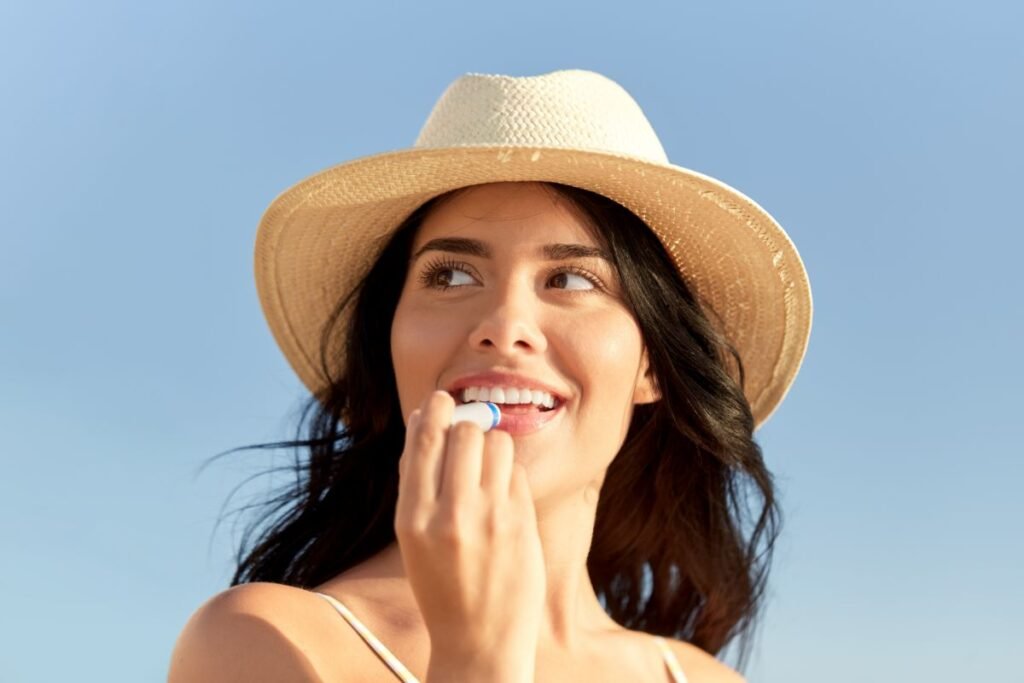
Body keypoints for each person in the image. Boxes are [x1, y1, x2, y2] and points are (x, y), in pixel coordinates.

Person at [168, 69, 812, 682]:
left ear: (652, 365)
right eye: (450, 275)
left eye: (570, 279)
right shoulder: (266, 645)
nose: (505, 325)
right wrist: (476, 658)